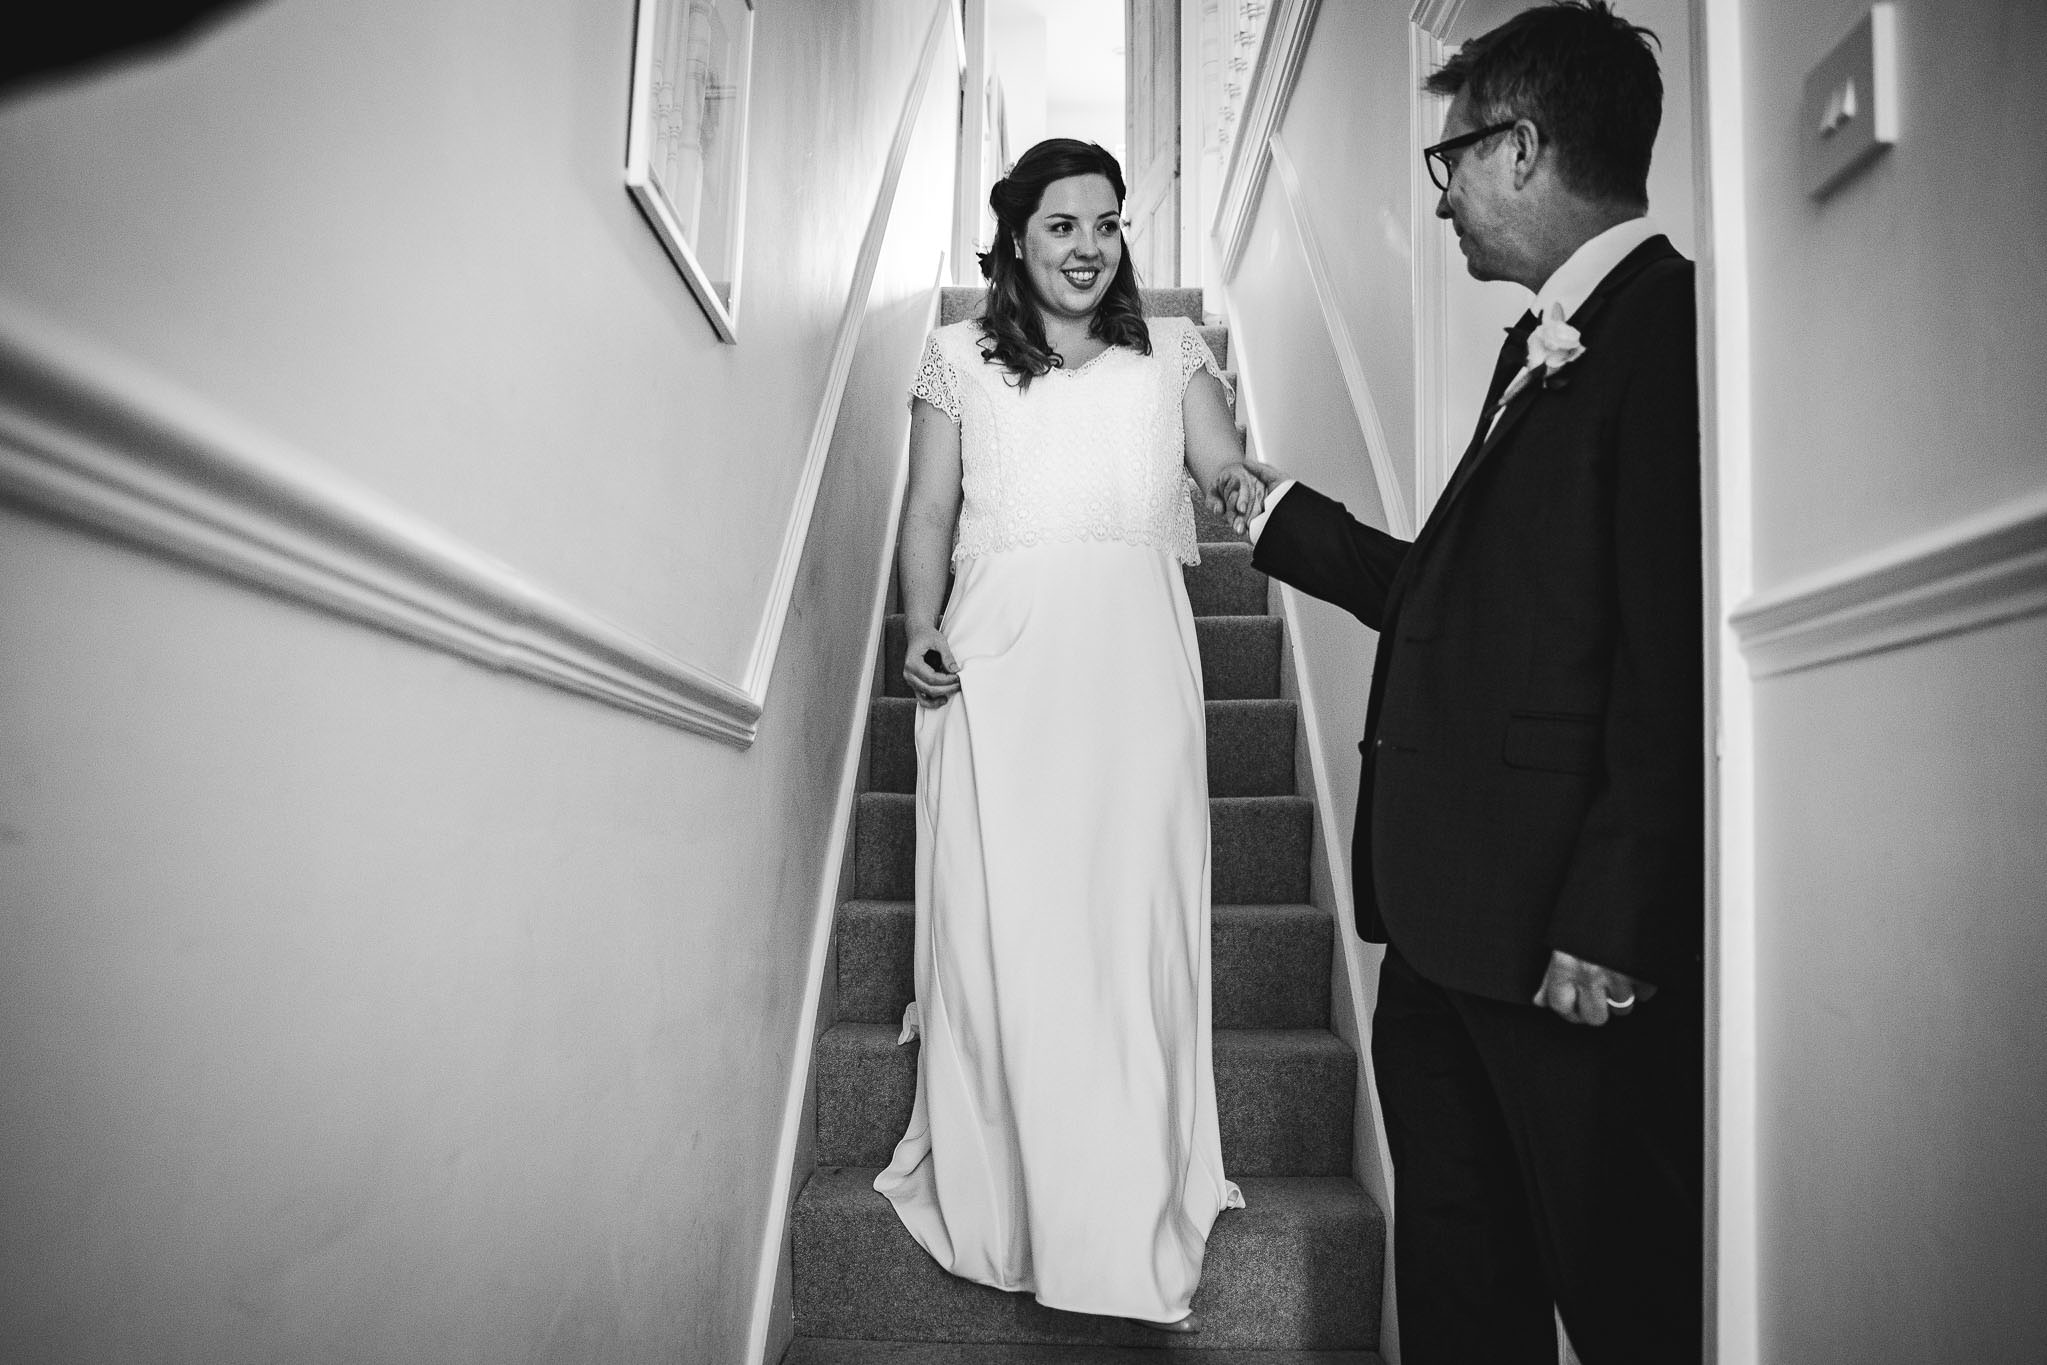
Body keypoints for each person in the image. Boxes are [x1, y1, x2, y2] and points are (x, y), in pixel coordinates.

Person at [1233, 5, 1704, 1361]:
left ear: (1521, 146)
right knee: (1457, 1279)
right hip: (1441, 936)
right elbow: (1458, 608)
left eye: (1446, 160)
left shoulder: (1658, 327)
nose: (1433, 196)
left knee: (1621, 1294)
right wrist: (1280, 519)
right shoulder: (1533, 343)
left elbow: (1660, 648)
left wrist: (1607, 922)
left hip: (1556, 946)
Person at [872, 138, 1265, 1332]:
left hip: (1135, 666)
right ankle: (1021, 1183)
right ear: (1016, 237)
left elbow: (1217, 464)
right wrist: (918, 623)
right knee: (1018, 925)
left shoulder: (1172, 356)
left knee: (1127, 917)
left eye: (1105, 224)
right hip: (1002, 662)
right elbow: (932, 508)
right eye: (1061, 226)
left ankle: (1129, 1193)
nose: (1088, 246)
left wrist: (1246, 482)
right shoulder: (954, 360)